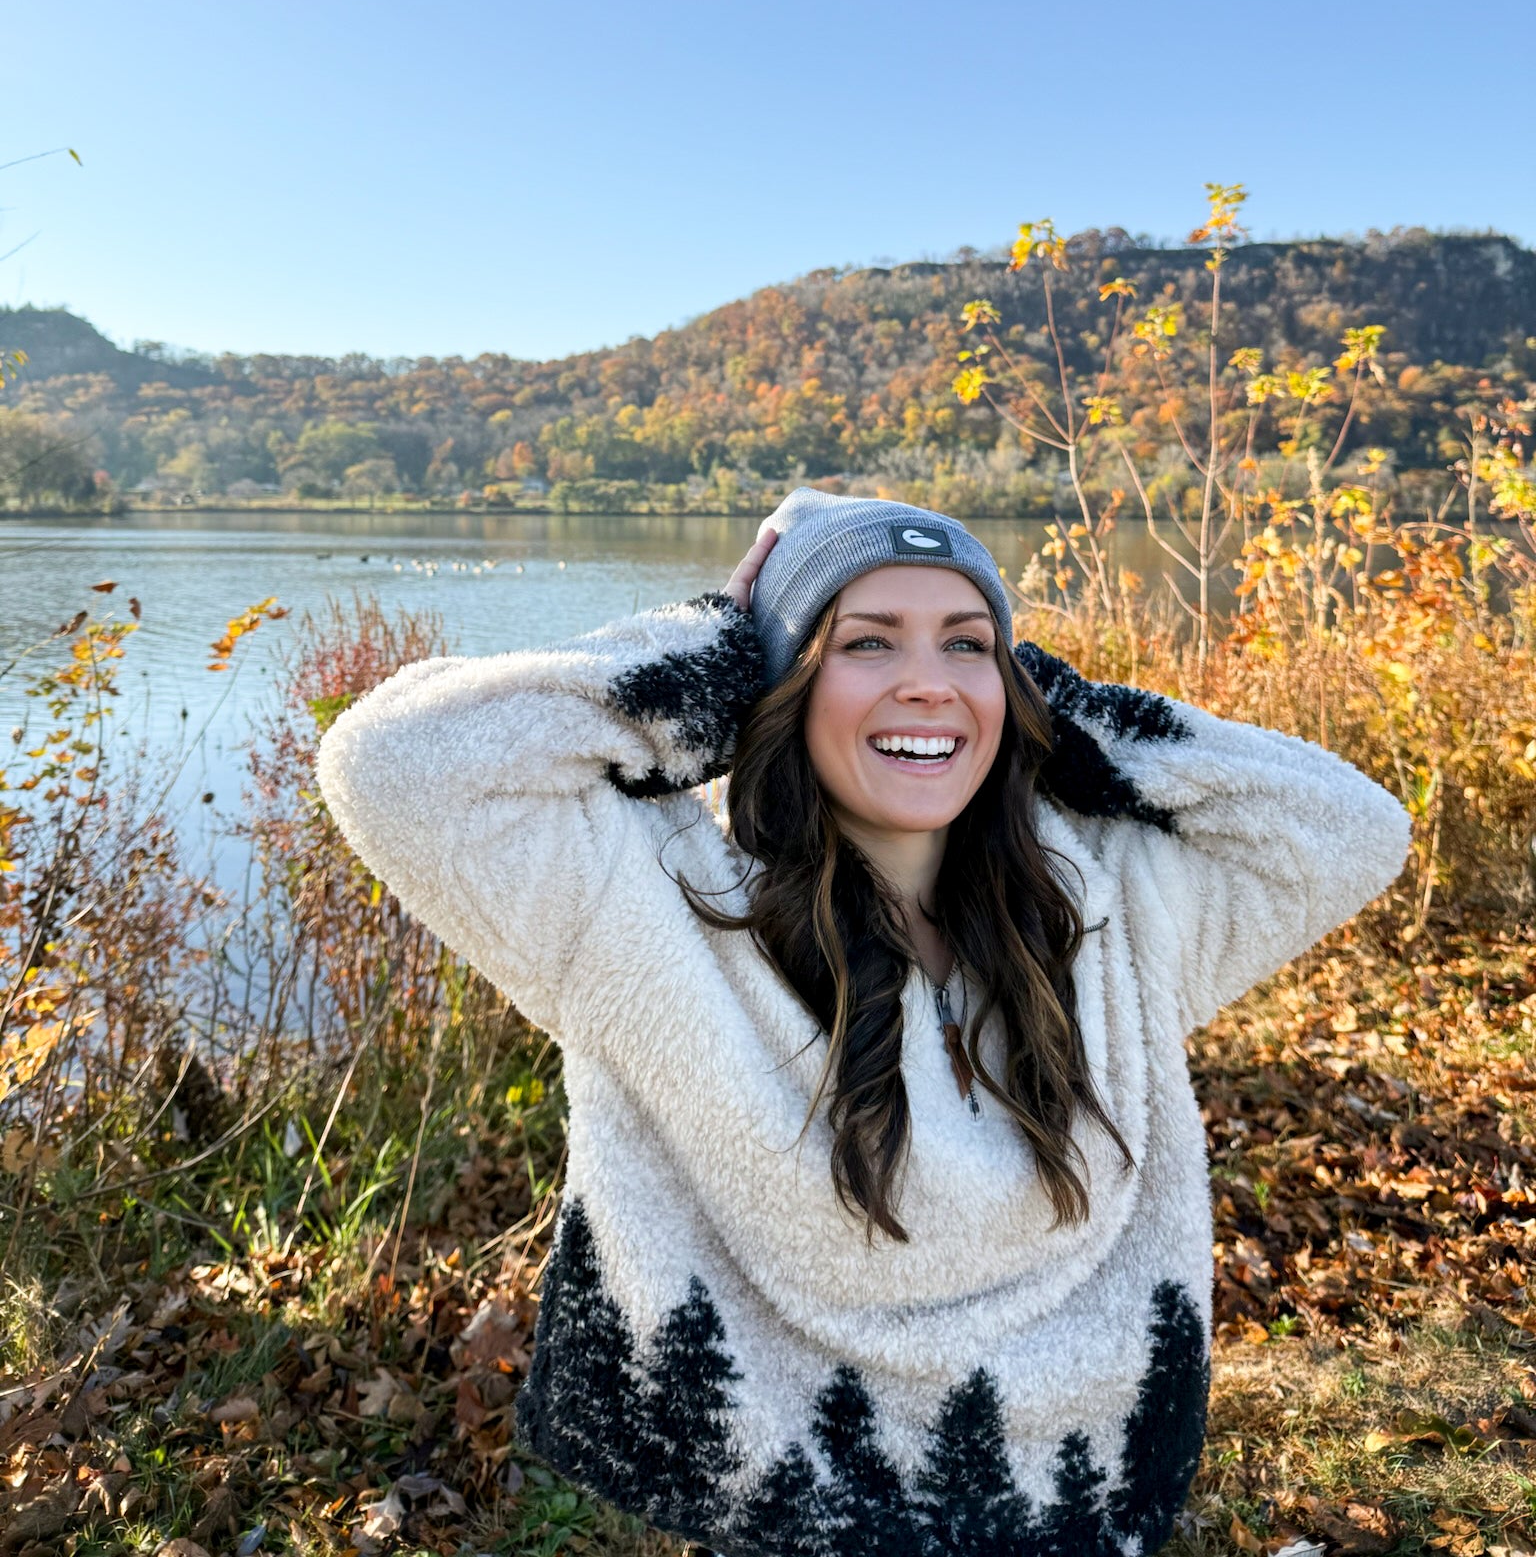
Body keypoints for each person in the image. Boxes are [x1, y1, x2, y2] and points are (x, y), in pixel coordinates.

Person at [316, 488, 1411, 1557]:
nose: (927, 682)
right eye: (868, 643)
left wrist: (1052, 715)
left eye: (967, 644)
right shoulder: (653, 906)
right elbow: (394, 763)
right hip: (794, 1518)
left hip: (1082, 1509)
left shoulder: (1101, 904)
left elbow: (1350, 828)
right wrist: (717, 649)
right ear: (782, 681)